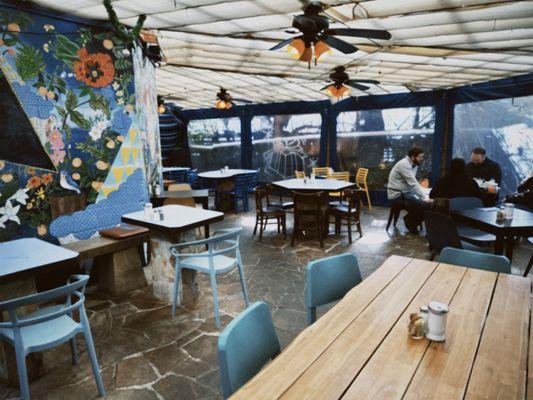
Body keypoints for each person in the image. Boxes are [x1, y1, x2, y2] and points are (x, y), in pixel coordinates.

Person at [387, 147, 432, 234]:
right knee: (423, 205)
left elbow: (413, 183)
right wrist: (423, 197)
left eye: (422, 157)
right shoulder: (404, 164)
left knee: (427, 204)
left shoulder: (414, 165)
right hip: (397, 195)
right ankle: (410, 221)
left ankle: (411, 221)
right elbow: (412, 183)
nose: (422, 159)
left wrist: (426, 192)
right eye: (420, 157)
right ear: (412, 157)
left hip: (405, 192)